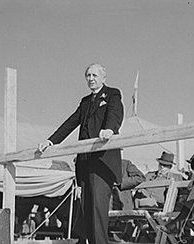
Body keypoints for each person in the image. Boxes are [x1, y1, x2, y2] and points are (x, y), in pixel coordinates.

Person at [38, 63, 124, 244]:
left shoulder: (112, 94)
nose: (91, 79)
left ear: (103, 78)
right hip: (84, 162)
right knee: (86, 209)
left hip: (102, 161)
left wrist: (109, 129)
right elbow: (71, 122)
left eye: (94, 75)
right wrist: (51, 141)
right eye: (87, 76)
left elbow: (115, 114)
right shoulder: (85, 101)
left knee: (97, 209)